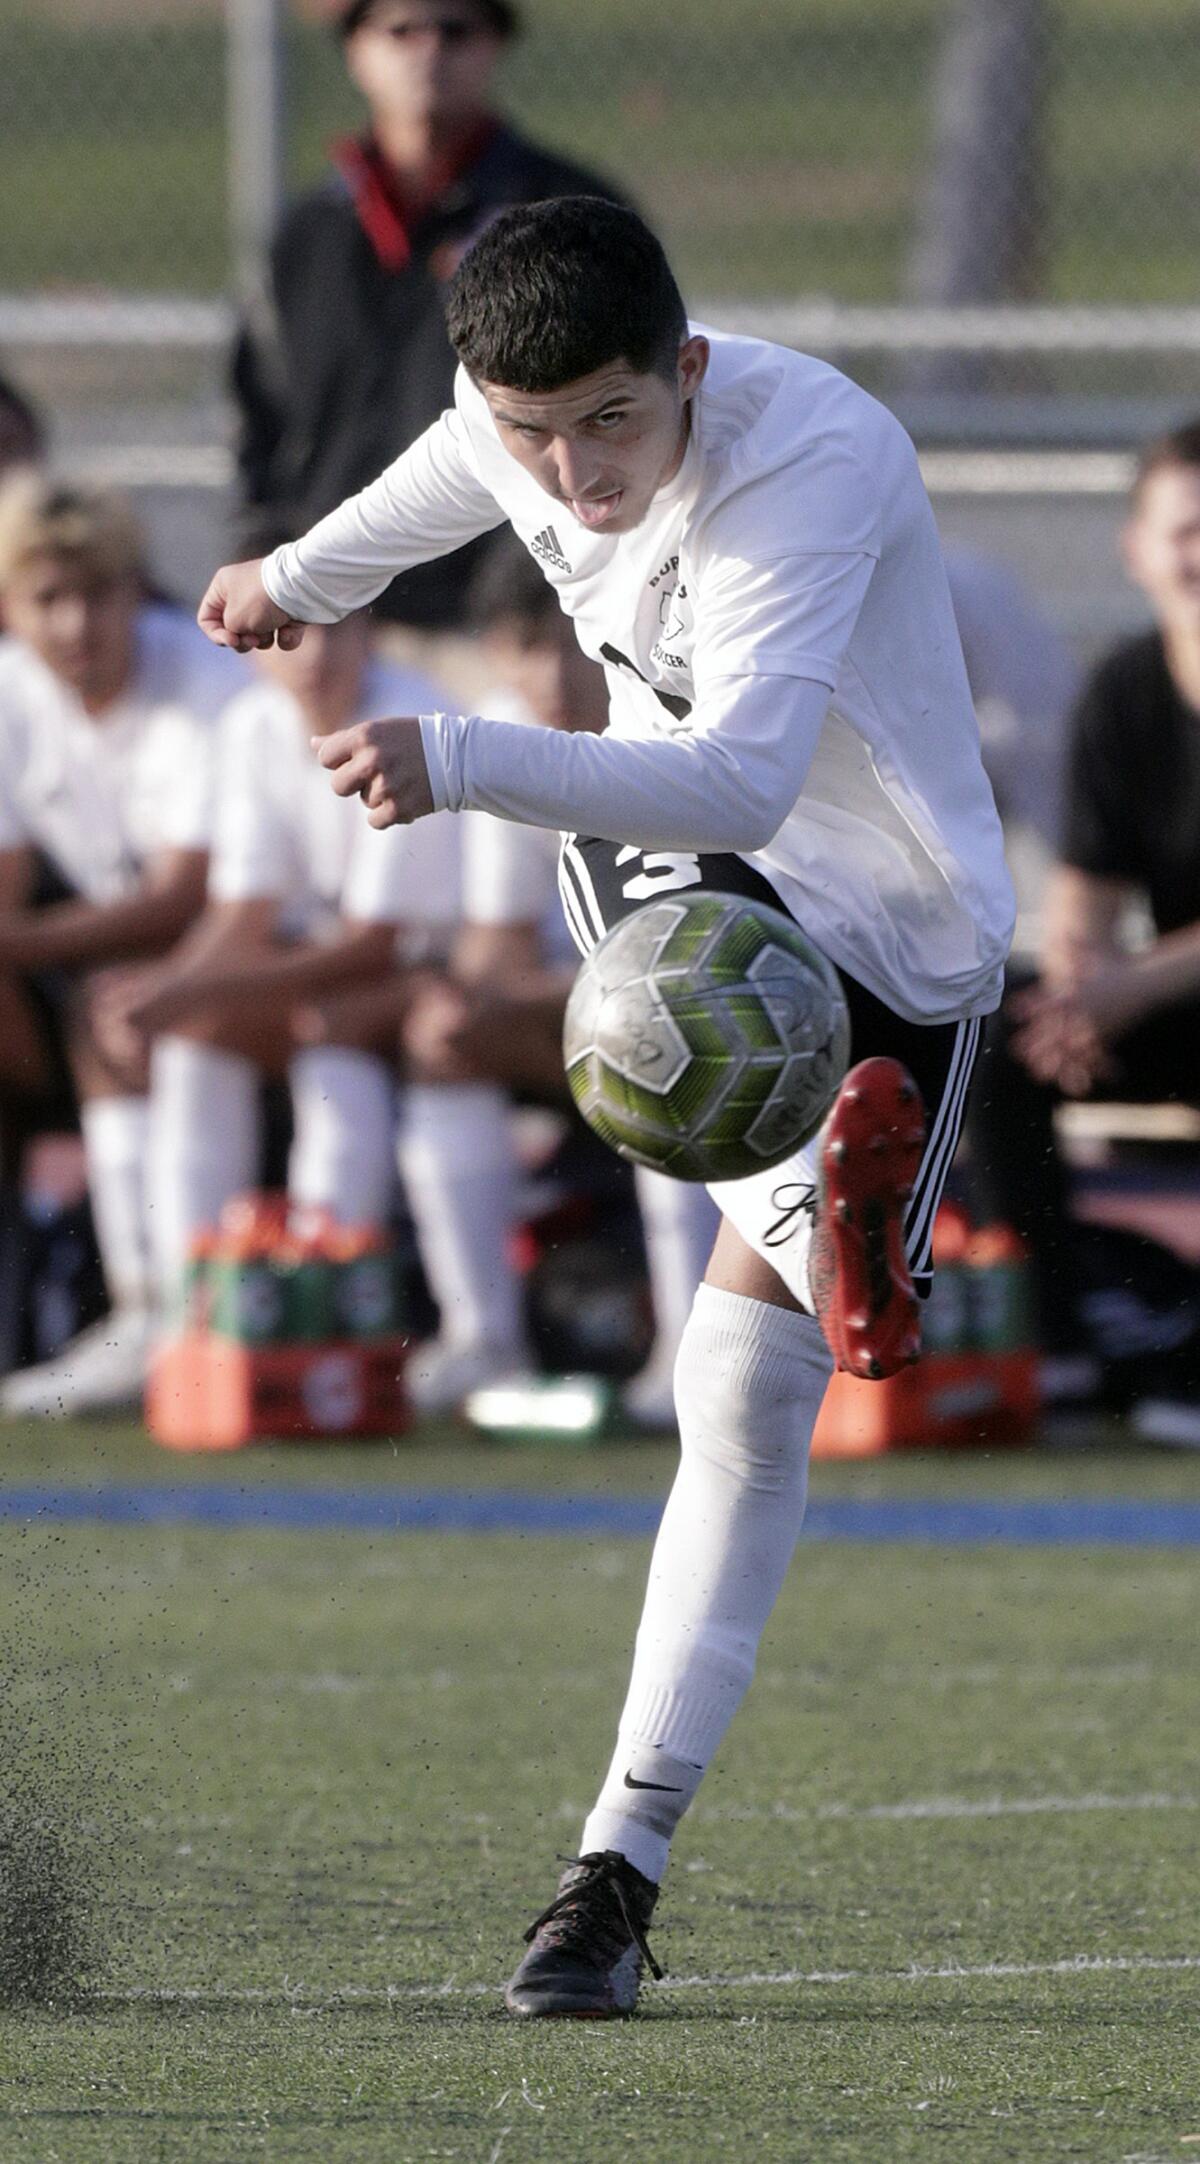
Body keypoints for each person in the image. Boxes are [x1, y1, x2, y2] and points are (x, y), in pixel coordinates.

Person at [198, 197, 1014, 2018]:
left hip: (888, 920)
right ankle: (613, 1874)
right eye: (532, 429)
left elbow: (736, 771)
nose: (567, 474)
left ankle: (821, 1206)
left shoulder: (806, 457)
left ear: (690, 374)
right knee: (737, 1389)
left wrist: (465, 755)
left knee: (731, 1358)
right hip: (721, 890)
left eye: (609, 427)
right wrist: (303, 576)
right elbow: (448, 465)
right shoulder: (521, 430)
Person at [352, 535, 719, 1416]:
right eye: (525, 646)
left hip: (713, 1014)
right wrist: (463, 994)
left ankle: (691, 1351)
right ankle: (485, 1339)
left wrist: (510, 990)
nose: (552, 672)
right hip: (582, 1014)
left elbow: (693, 957)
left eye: (569, 640)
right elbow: (497, 941)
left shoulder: (677, 722)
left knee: (655, 1035)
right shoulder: (498, 734)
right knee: (444, 1040)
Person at [233, 0, 623, 671]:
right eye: (400, 29)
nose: (429, 51)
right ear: (355, 48)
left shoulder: (566, 217)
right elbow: (259, 419)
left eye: (456, 29)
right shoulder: (309, 233)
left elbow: (618, 412)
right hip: (328, 630)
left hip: (508, 633)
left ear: (496, 44)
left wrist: (531, 599)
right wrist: (276, 562)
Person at [99, 604, 459, 1308]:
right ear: (256, 648)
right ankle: (187, 1314)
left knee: (329, 1027)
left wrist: (184, 992)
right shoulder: (253, 725)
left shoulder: (414, 721)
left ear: (371, 633)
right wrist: (166, 994)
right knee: (194, 1034)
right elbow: (245, 912)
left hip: (439, 974)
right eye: (291, 632)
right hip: (348, 973)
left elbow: (375, 946)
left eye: (336, 625)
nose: (314, 652)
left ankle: (323, 1304)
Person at [969, 420, 1200, 1446]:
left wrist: (1123, 989)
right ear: (1138, 549)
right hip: (1165, 1004)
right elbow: (1085, 905)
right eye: (1185, 529)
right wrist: (1075, 989)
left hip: (1167, 993)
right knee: (996, 1035)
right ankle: (1073, 1342)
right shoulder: (1124, 692)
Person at [0, 477, 243, 1415]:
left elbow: (186, 897)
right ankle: (140, 1309)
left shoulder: (206, 682)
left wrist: (18, 943)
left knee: (137, 1005)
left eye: (96, 594)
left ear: (133, 591)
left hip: (260, 954)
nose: (73, 624)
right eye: (45, 598)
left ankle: (172, 1314)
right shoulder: (13, 689)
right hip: (109, 969)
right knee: (114, 999)